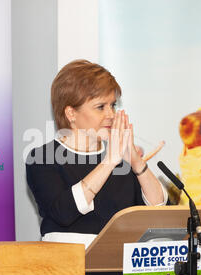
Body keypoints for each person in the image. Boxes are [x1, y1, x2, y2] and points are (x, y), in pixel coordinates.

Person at [26, 60, 168, 249]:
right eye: (101, 107)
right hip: (67, 270)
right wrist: (109, 162)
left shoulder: (121, 159)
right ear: (71, 113)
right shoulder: (43, 158)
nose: (111, 114)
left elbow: (158, 208)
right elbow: (64, 212)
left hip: (119, 270)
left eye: (113, 105)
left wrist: (135, 160)